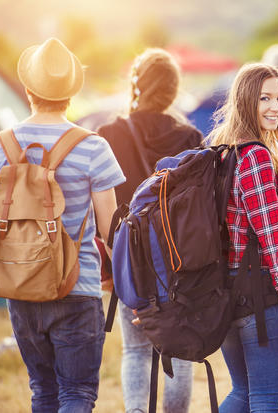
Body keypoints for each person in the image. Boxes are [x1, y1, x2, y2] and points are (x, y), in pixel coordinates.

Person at [0, 38, 125, 412]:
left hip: (21, 288)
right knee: (76, 393)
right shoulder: (94, 147)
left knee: (43, 392)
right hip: (79, 289)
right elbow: (111, 232)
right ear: (71, 93)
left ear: (27, 90)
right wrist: (134, 291)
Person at [97, 48, 202, 413]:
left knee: (136, 350)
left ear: (136, 84)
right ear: (173, 90)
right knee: (180, 350)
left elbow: (101, 209)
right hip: (178, 262)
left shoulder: (109, 133)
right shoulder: (190, 137)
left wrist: (114, 260)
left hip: (128, 257)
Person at [209, 62, 278, 412]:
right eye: (265, 98)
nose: (276, 107)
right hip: (257, 299)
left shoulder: (224, 149)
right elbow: (273, 240)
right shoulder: (255, 156)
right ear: (245, 101)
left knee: (243, 393)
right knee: (266, 400)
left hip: (228, 293)